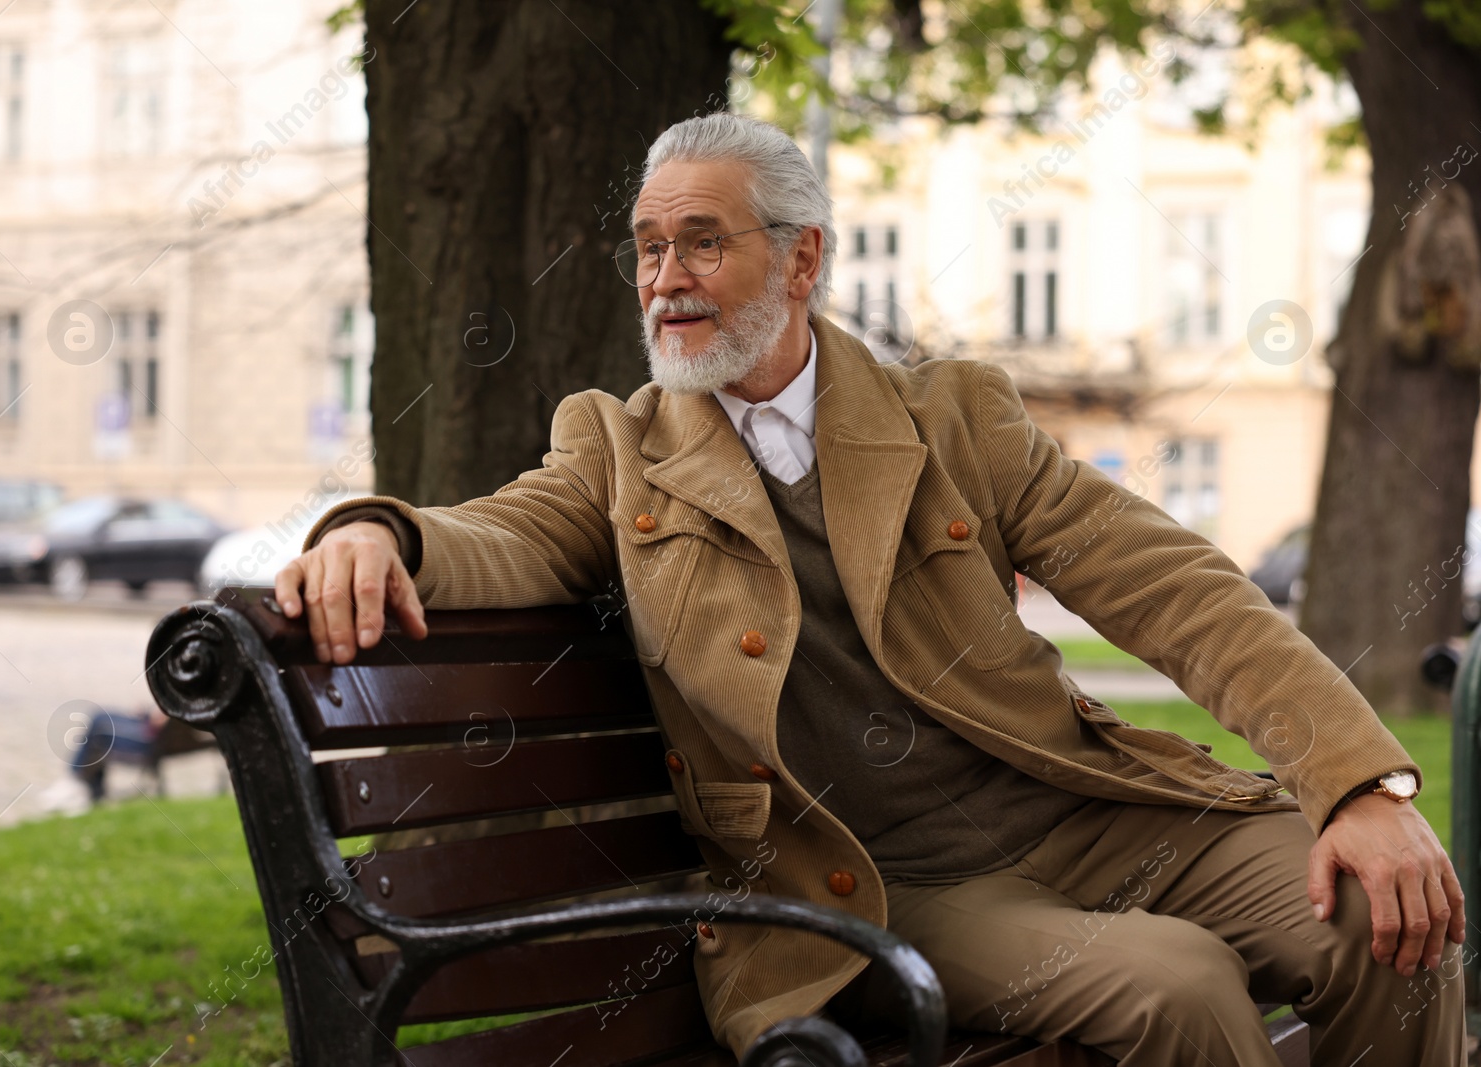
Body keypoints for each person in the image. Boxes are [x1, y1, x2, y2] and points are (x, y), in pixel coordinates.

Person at [274, 113, 1465, 1064]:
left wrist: (1354, 780)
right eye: (647, 246)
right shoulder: (617, 446)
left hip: (1082, 807)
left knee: (1385, 918)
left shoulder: (954, 416)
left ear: (802, 258)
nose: (664, 277)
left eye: (701, 239)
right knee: (1181, 987)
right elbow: (505, 535)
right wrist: (379, 531)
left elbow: (1177, 590)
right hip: (885, 882)